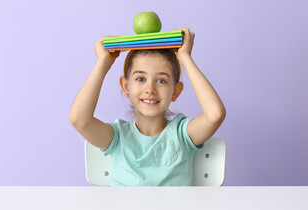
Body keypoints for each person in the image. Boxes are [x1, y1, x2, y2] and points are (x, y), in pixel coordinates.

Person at [69, 28, 226, 186]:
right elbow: (79, 119)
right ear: (125, 87)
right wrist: (103, 63)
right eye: (140, 78)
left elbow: (215, 115)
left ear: (175, 91)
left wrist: (185, 58)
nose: (150, 89)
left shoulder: (182, 134)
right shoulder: (117, 137)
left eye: (161, 80)